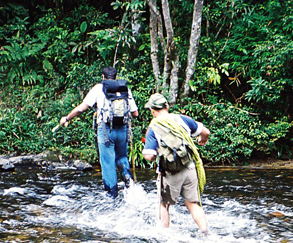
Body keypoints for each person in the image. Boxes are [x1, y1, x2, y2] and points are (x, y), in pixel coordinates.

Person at [57, 67, 139, 198]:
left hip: (106, 131)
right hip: (122, 130)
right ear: (116, 77)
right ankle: (129, 182)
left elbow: (81, 109)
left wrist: (66, 118)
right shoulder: (124, 89)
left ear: (103, 77)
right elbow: (135, 113)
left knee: (108, 162)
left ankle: (111, 195)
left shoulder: (98, 88)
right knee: (122, 157)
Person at [141, 93, 211, 233]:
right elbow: (206, 132)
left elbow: (150, 156)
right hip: (189, 166)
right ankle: (204, 232)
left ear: (152, 110)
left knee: (164, 205)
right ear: (167, 106)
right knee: (192, 204)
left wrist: (145, 152)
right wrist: (202, 140)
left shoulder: (153, 127)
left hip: (170, 172)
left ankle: (164, 237)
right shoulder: (182, 119)